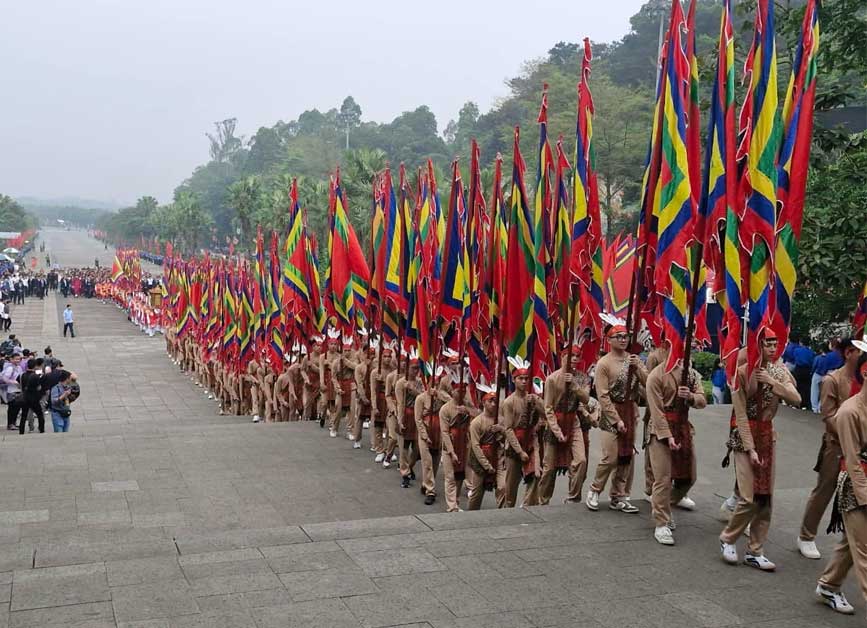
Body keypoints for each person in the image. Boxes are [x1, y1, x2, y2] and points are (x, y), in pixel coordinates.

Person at [719, 330, 800, 570]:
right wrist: (750, 447)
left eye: (775, 343)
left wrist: (773, 383)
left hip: (767, 434)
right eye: (767, 344)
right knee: (748, 495)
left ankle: (756, 550)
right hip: (744, 438)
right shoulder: (740, 373)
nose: (773, 348)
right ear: (757, 346)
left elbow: (796, 398)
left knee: (765, 498)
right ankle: (728, 539)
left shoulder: (778, 371)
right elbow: (741, 416)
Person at [797, 338, 864, 560]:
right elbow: (828, 416)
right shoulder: (832, 380)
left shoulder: (863, 380)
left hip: (860, 450)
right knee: (824, 491)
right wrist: (851, 432)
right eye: (860, 351)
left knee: (858, 497)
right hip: (835, 446)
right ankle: (806, 535)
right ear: (848, 352)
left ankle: (853, 542)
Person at [814, 350, 867, 619]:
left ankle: (829, 585)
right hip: (856, 488)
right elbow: (853, 459)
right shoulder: (849, 412)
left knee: (852, 542)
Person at [645, 359, 706, 545]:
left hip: (684, 429)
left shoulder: (691, 374)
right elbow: (655, 411)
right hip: (659, 431)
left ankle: (664, 504)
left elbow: (702, 401)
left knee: (689, 477)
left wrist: (691, 397)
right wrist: (667, 436)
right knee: (663, 479)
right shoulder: (656, 375)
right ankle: (661, 522)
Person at [587, 325, 647, 513]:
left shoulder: (634, 360)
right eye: (618, 336)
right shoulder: (604, 364)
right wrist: (616, 419)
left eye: (626, 336)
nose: (623, 339)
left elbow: (648, 383)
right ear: (609, 340)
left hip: (630, 410)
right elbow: (602, 396)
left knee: (626, 456)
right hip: (611, 412)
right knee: (611, 456)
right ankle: (595, 489)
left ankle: (618, 495)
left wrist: (638, 368)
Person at [539, 347, 591, 505]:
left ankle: (573, 497)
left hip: (573, 422)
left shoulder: (582, 378)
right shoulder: (552, 379)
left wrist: (575, 385)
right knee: (549, 468)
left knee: (581, 460)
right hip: (555, 424)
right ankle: (543, 501)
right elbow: (548, 408)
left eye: (577, 356)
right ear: (562, 357)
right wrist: (556, 430)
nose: (574, 359)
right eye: (571, 356)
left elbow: (586, 399)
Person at [499, 358, 545, 508]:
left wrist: (537, 402)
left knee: (536, 475)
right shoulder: (509, 402)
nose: (524, 381)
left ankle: (527, 505)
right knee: (511, 485)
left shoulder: (532, 398)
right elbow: (508, 429)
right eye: (521, 378)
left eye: (526, 378)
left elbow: (546, 413)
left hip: (531, 443)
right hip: (515, 448)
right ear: (514, 380)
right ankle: (508, 509)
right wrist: (519, 451)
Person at [467, 383, 505, 511]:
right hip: (482, 459)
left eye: (495, 401)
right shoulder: (476, 422)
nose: (493, 404)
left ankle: (503, 512)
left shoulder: (501, 420)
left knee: (503, 487)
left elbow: (508, 438)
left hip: (498, 457)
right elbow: (476, 446)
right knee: (477, 492)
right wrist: (486, 465)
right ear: (484, 402)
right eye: (490, 401)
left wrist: (502, 430)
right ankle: (471, 514)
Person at [18, 358, 45, 434]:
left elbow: (19, 384)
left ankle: (21, 431)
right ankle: (41, 429)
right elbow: (39, 387)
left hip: (25, 398)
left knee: (24, 415)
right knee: (39, 414)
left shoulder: (22, 375)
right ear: (35, 366)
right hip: (34, 398)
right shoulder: (36, 376)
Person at [792, 337, 815, 410]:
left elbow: (794, 358)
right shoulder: (811, 352)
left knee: (797, 385)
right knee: (806, 387)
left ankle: (797, 403)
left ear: (801, 342)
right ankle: (805, 404)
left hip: (799, 369)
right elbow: (812, 361)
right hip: (807, 370)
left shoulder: (797, 350)